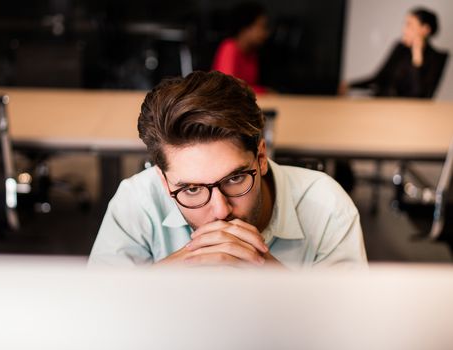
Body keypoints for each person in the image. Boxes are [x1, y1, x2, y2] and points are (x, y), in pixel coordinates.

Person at [89, 71, 367, 269]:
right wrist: (175, 272)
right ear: (163, 181)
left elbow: (352, 329)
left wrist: (272, 279)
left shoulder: (327, 206)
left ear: (260, 157)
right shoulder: (137, 200)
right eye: (192, 189)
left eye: (235, 178)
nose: (221, 211)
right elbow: (95, 320)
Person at [344, 7, 448, 98]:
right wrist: (349, 86)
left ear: (425, 30)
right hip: (381, 103)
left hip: (407, 112)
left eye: (409, 25)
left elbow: (420, 95)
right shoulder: (400, 48)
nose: (404, 30)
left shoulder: (437, 58)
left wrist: (417, 58)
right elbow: (379, 78)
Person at [211, 2, 270, 94]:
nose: (265, 33)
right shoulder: (229, 48)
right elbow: (228, 87)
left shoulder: (252, 53)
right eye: (261, 27)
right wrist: (264, 91)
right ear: (246, 28)